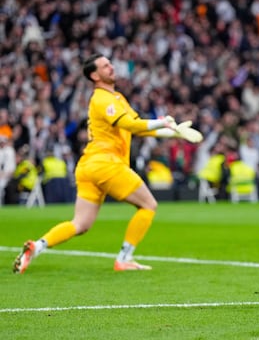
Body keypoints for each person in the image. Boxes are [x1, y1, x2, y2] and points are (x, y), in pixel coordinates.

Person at [13, 53, 203, 274]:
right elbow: (131, 125)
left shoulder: (118, 98)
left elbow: (138, 126)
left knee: (80, 224)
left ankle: (36, 247)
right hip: (107, 164)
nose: (111, 67)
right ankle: (124, 258)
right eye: (105, 66)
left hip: (89, 166)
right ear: (94, 75)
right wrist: (162, 122)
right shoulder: (101, 98)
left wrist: (175, 132)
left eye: (110, 63)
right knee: (149, 206)